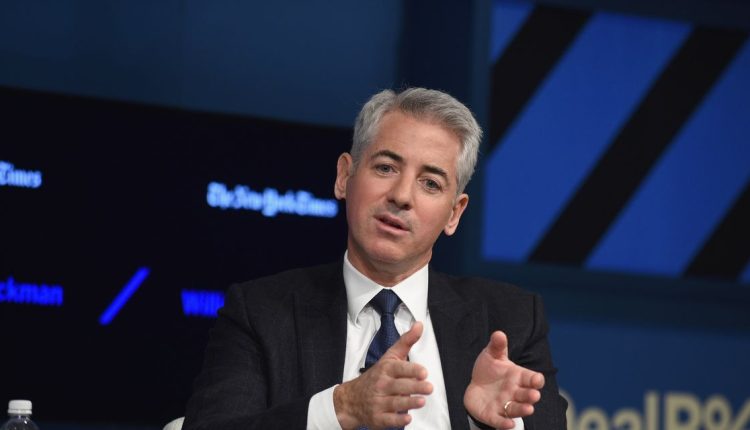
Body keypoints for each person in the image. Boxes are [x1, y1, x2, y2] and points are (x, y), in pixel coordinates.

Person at [183, 88, 567, 430]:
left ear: (454, 213)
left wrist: (491, 426)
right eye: (386, 167)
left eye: (430, 183)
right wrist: (341, 408)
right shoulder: (261, 312)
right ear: (344, 176)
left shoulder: (511, 321)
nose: (402, 196)